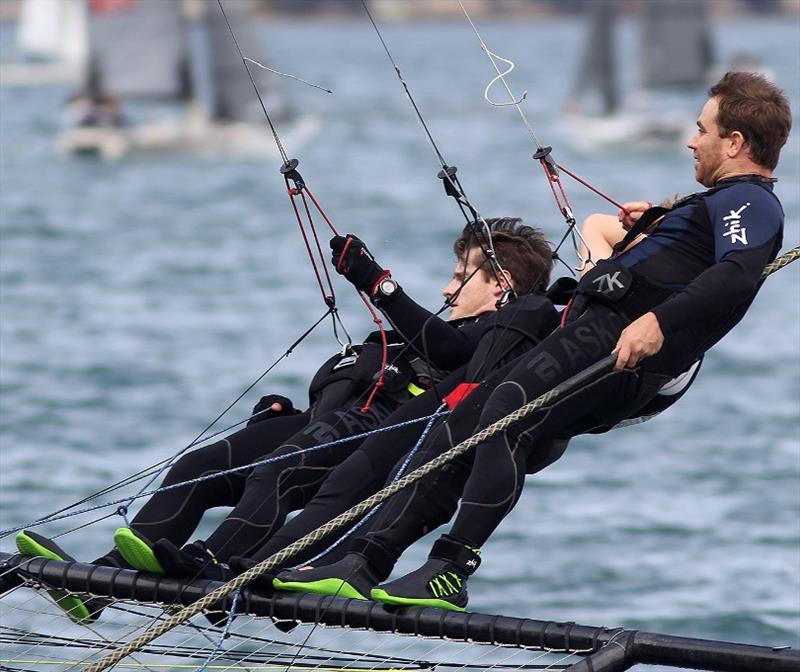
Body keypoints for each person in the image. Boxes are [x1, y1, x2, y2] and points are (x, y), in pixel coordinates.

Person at [274, 71, 791, 611]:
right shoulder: (717, 204)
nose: (692, 140)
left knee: (504, 414)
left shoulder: (753, 203)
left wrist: (657, 322)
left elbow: (737, 273)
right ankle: (365, 561)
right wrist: (655, 227)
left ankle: (450, 566)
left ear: (735, 143)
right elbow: (685, 261)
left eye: (702, 129)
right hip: (593, 332)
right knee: (462, 426)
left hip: (615, 341)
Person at [12, 217, 556, 622]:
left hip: (378, 435)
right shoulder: (451, 322)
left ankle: (217, 567)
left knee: (277, 471)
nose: (447, 288)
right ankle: (100, 582)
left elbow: (447, 353)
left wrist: (376, 282)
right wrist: (286, 411)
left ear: (501, 283)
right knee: (199, 467)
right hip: (325, 420)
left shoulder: (503, 334)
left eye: (461, 277)